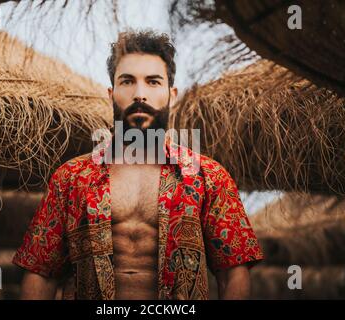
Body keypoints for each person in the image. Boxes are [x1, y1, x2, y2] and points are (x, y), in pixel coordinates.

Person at [13, 30, 264, 300]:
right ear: (112, 94)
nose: (139, 94)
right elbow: (41, 271)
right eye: (127, 81)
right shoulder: (71, 177)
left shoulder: (208, 176)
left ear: (172, 94)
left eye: (153, 82)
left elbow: (233, 272)